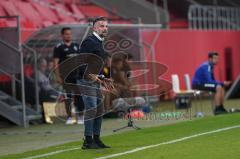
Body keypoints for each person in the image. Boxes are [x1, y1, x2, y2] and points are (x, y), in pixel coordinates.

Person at [79, 17, 110, 149]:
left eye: (106, 26)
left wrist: (103, 77)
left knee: (99, 110)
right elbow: (81, 63)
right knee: (92, 109)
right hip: (86, 80)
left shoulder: (98, 42)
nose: (105, 28)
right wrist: (92, 77)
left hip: (94, 80)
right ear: (94, 28)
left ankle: (96, 139)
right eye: (102, 26)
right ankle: (88, 141)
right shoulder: (89, 42)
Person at [53, 27, 84, 125]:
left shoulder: (76, 46)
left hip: (77, 75)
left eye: (70, 34)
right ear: (62, 35)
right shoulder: (59, 47)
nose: (68, 35)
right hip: (66, 76)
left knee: (79, 95)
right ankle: (70, 116)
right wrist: (57, 76)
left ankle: (81, 116)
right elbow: (55, 63)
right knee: (68, 96)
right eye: (66, 34)